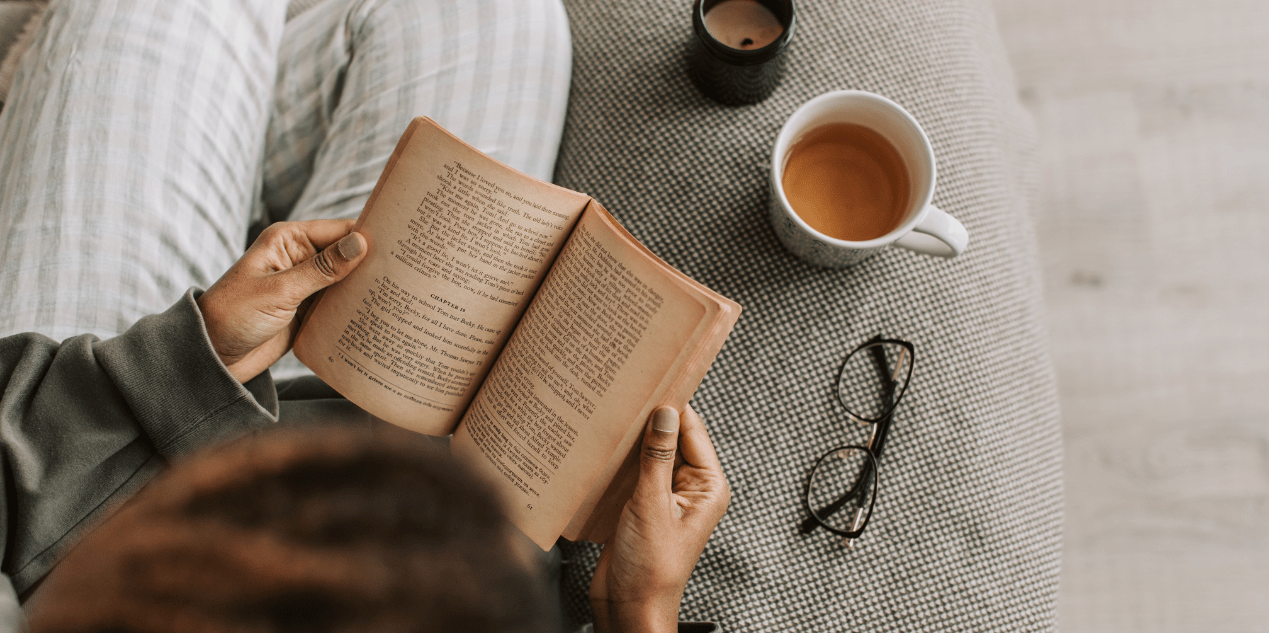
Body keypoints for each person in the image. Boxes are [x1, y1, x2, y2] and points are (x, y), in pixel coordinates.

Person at [0, 0, 729, 630]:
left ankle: (232, 111)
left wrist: (188, 363)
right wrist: (638, 612)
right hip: (411, 480)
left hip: (82, 484)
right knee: (489, 17)